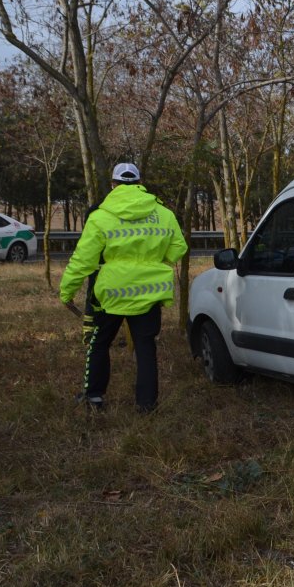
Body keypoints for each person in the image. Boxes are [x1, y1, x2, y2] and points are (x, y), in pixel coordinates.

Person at [60, 162, 188, 412]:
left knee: (99, 344)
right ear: (140, 182)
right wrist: (156, 262)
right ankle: (147, 404)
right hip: (149, 293)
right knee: (145, 347)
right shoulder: (164, 213)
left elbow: (83, 259)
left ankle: (94, 397)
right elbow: (179, 248)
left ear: (113, 184)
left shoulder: (101, 215)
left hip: (111, 295)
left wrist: (67, 291)